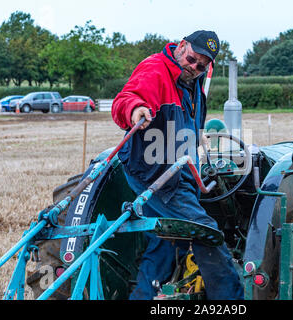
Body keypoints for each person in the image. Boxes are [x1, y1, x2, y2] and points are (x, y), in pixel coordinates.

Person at [111, 30, 244, 300]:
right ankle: (232, 299)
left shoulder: (192, 79)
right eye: (192, 59)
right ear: (181, 46)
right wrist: (136, 109)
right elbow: (125, 99)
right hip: (157, 173)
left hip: (180, 168)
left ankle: (144, 296)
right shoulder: (156, 70)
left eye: (201, 66)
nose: (194, 67)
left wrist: (197, 133)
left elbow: (186, 114)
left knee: (163, 241)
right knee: (205, 231)